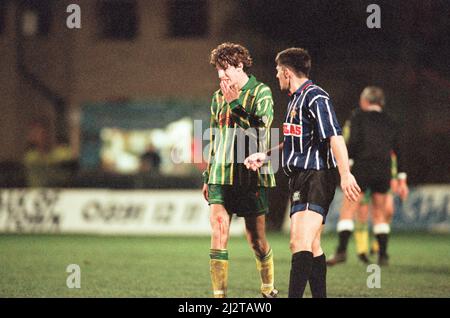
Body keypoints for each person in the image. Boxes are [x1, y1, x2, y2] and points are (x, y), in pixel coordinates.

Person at [245, 48, 360, 298]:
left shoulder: (316, 97)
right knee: (313, 246)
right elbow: (293, 142)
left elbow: (335, 137)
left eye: (278, 72)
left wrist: (345, 174)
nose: (276, 77)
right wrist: (264, 156)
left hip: (316, 176)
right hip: (299, 178)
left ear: (287, 72)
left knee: (298, 243)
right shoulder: (294, 100)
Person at [202, 42, 278, 298]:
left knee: (256, 240)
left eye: (225, 69)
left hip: (251, 175)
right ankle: (219, 297)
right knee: (219, 228)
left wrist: (235, 104)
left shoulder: (261, 92)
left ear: (240, 65)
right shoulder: (216, 97)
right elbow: (213, 137)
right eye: (218, 70)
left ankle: (267, 287)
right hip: (220, 175)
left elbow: (260, 131)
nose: (221, 75)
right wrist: (207, 174)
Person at [327, 86, 408, 266]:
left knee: (348, 210)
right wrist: (401, 177)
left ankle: (341, 251)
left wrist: (347, 164)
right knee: (379, 213)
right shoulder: (391, 120)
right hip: (383, 170)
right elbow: (399, 150)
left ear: (365, 101)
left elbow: (353, 142)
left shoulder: (358, 116)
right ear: (381, 102)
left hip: (362, 168)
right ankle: (383, 255)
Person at [23, 118, 76, 187]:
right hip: (35, 194)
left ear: (47, 133)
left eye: (37, 132)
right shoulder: (30, 156)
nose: (34, 135)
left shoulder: (63, 153)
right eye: (32, 132)